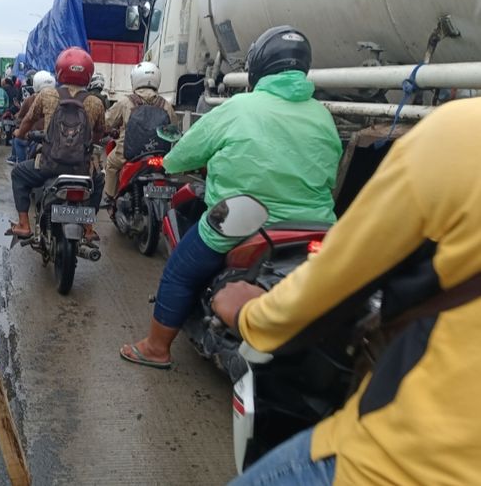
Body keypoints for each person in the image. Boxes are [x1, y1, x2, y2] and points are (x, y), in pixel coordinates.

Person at [212, 96, 481, 485]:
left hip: (406, 464)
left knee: (187, 264)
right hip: (317, 219)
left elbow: (323, 296)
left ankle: (155, 342)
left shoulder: (459, 133)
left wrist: (246, 314)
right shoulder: (321, 116)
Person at [119, 26, 342, 368]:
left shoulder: (238, 107)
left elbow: (181, 156)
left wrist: (175, 160)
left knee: (179, 273)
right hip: (315, 226)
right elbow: (329, 172)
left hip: (243, 221)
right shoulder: (322, 115)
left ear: (258, 66)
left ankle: (155, 347)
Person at [8, 47, 106, 242]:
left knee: (18, 174)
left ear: (60, 70)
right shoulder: (96, 102)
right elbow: (100, 132)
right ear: (89, 73)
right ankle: (87, 227)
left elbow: (27, 120)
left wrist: (19, 133)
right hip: (82, 169)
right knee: (100, 180)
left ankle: (24, 224)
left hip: (48, 165)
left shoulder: (47, 95)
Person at [102, 62, 177, 208]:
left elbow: (106, 122)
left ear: (135, 79)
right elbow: (173, 129)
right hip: (159, 155)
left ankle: (110, 198)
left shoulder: (126, 102)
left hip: (128, 154)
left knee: (111, 164)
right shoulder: (165, 104)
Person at [7, 70, 55, 165]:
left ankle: (21, 164)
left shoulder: (31, 99)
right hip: (54, 139)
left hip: (35, 137)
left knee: (17, 140)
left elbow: (23, 119)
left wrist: (19, 131)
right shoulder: (60, 97)